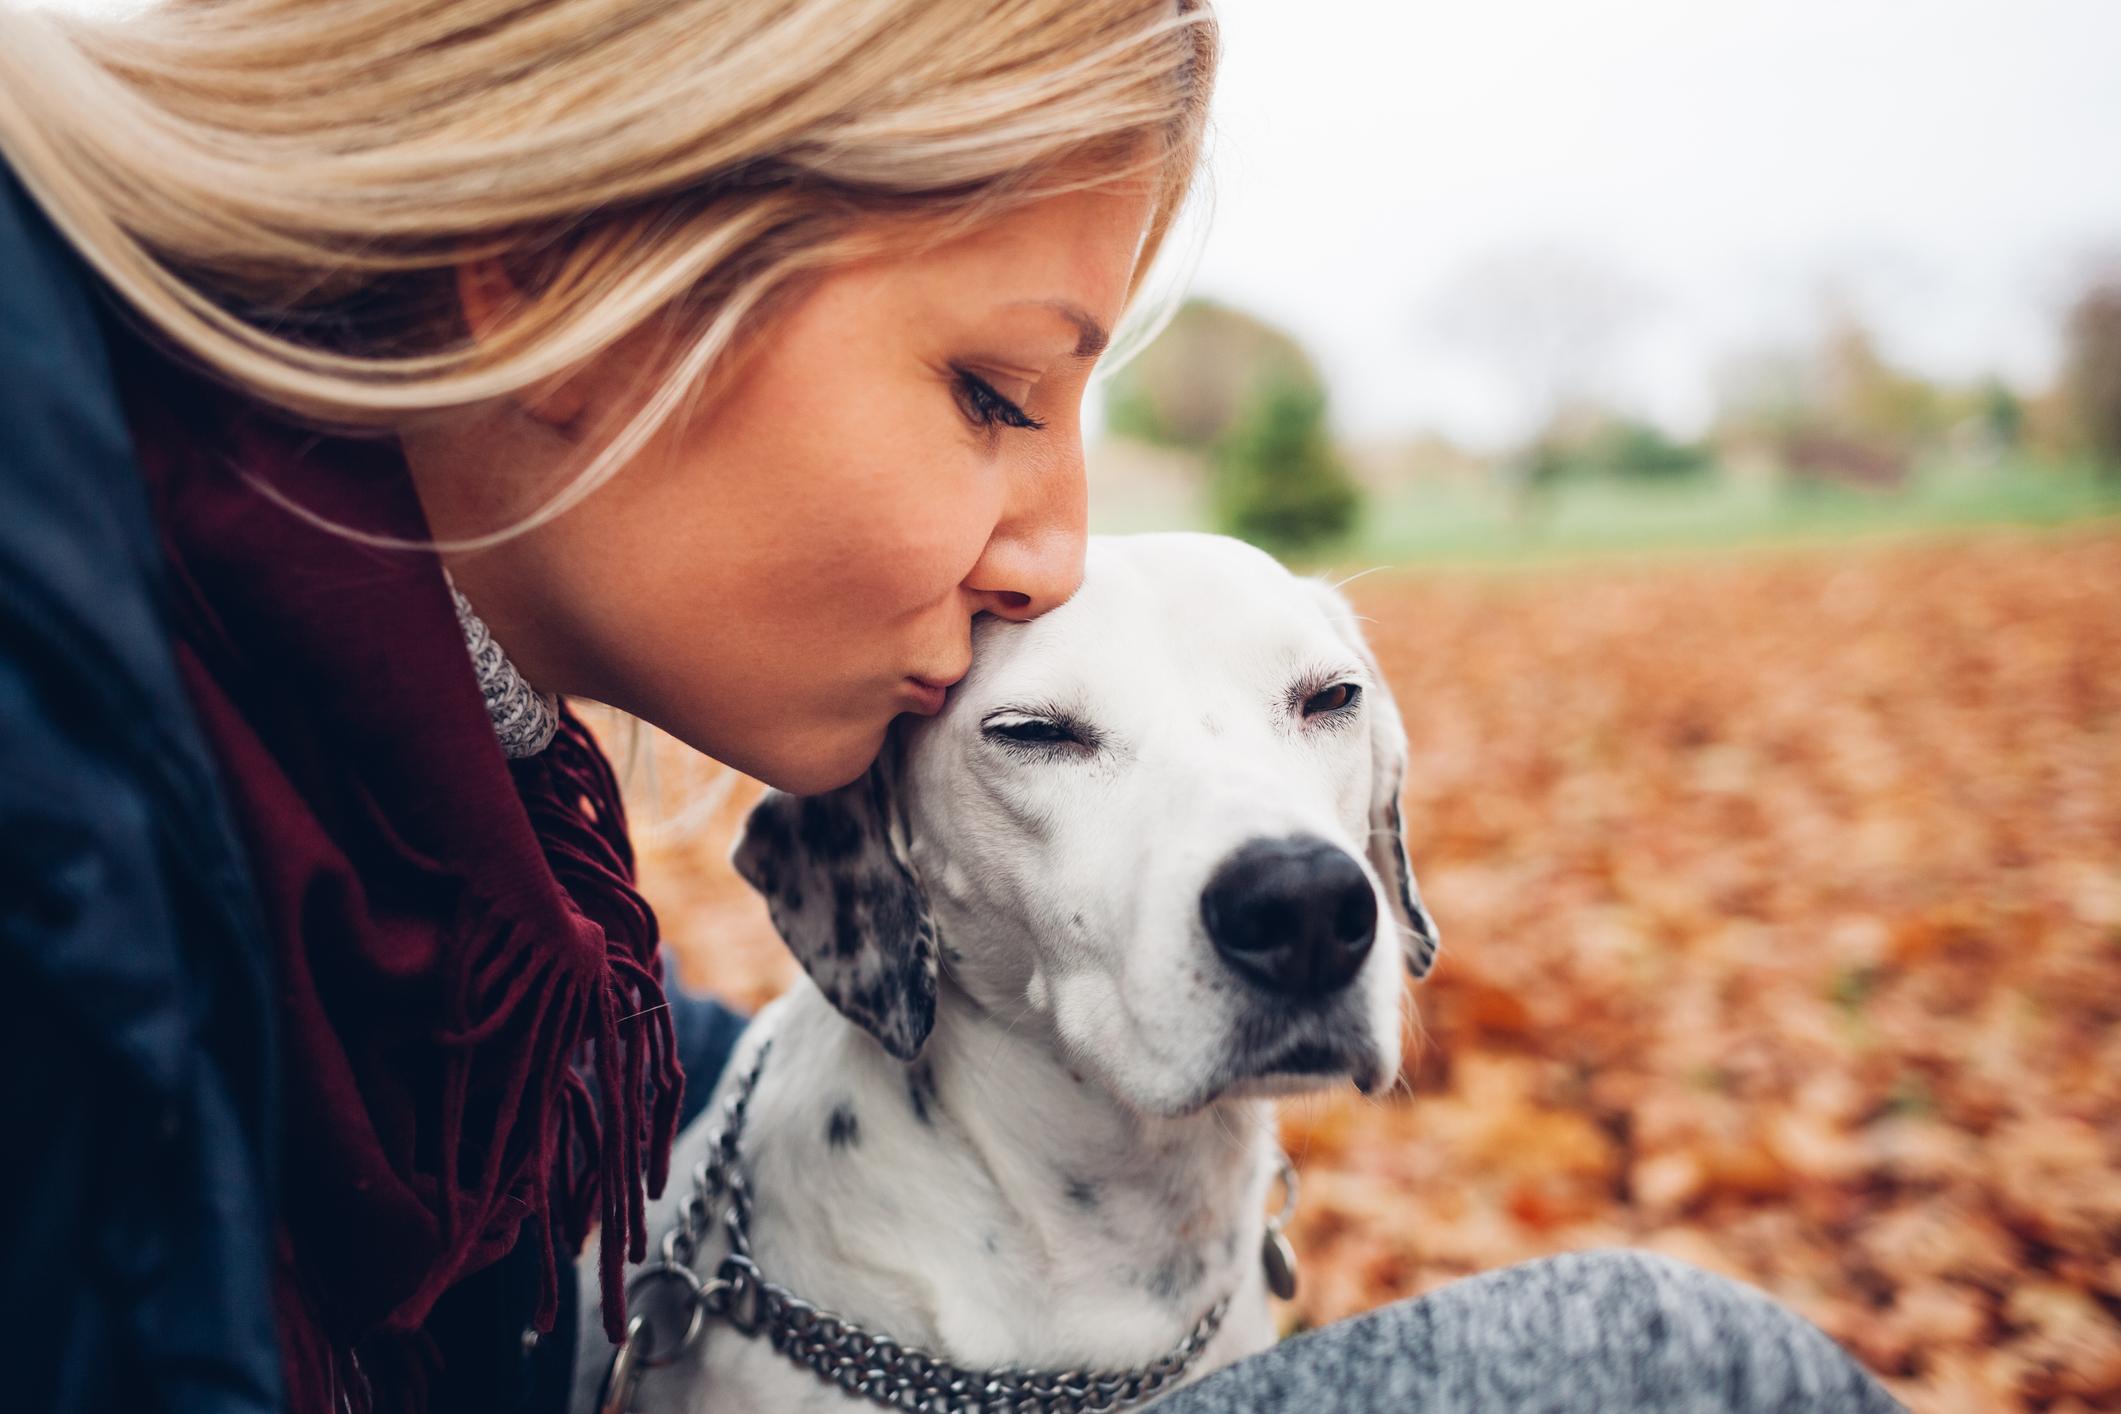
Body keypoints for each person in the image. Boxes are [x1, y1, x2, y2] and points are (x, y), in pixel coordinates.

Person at [0, 1, 1901, 1410]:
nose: (1055, 549)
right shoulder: (59, 772)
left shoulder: (417, 834)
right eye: (995, 392)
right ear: (567, 284)